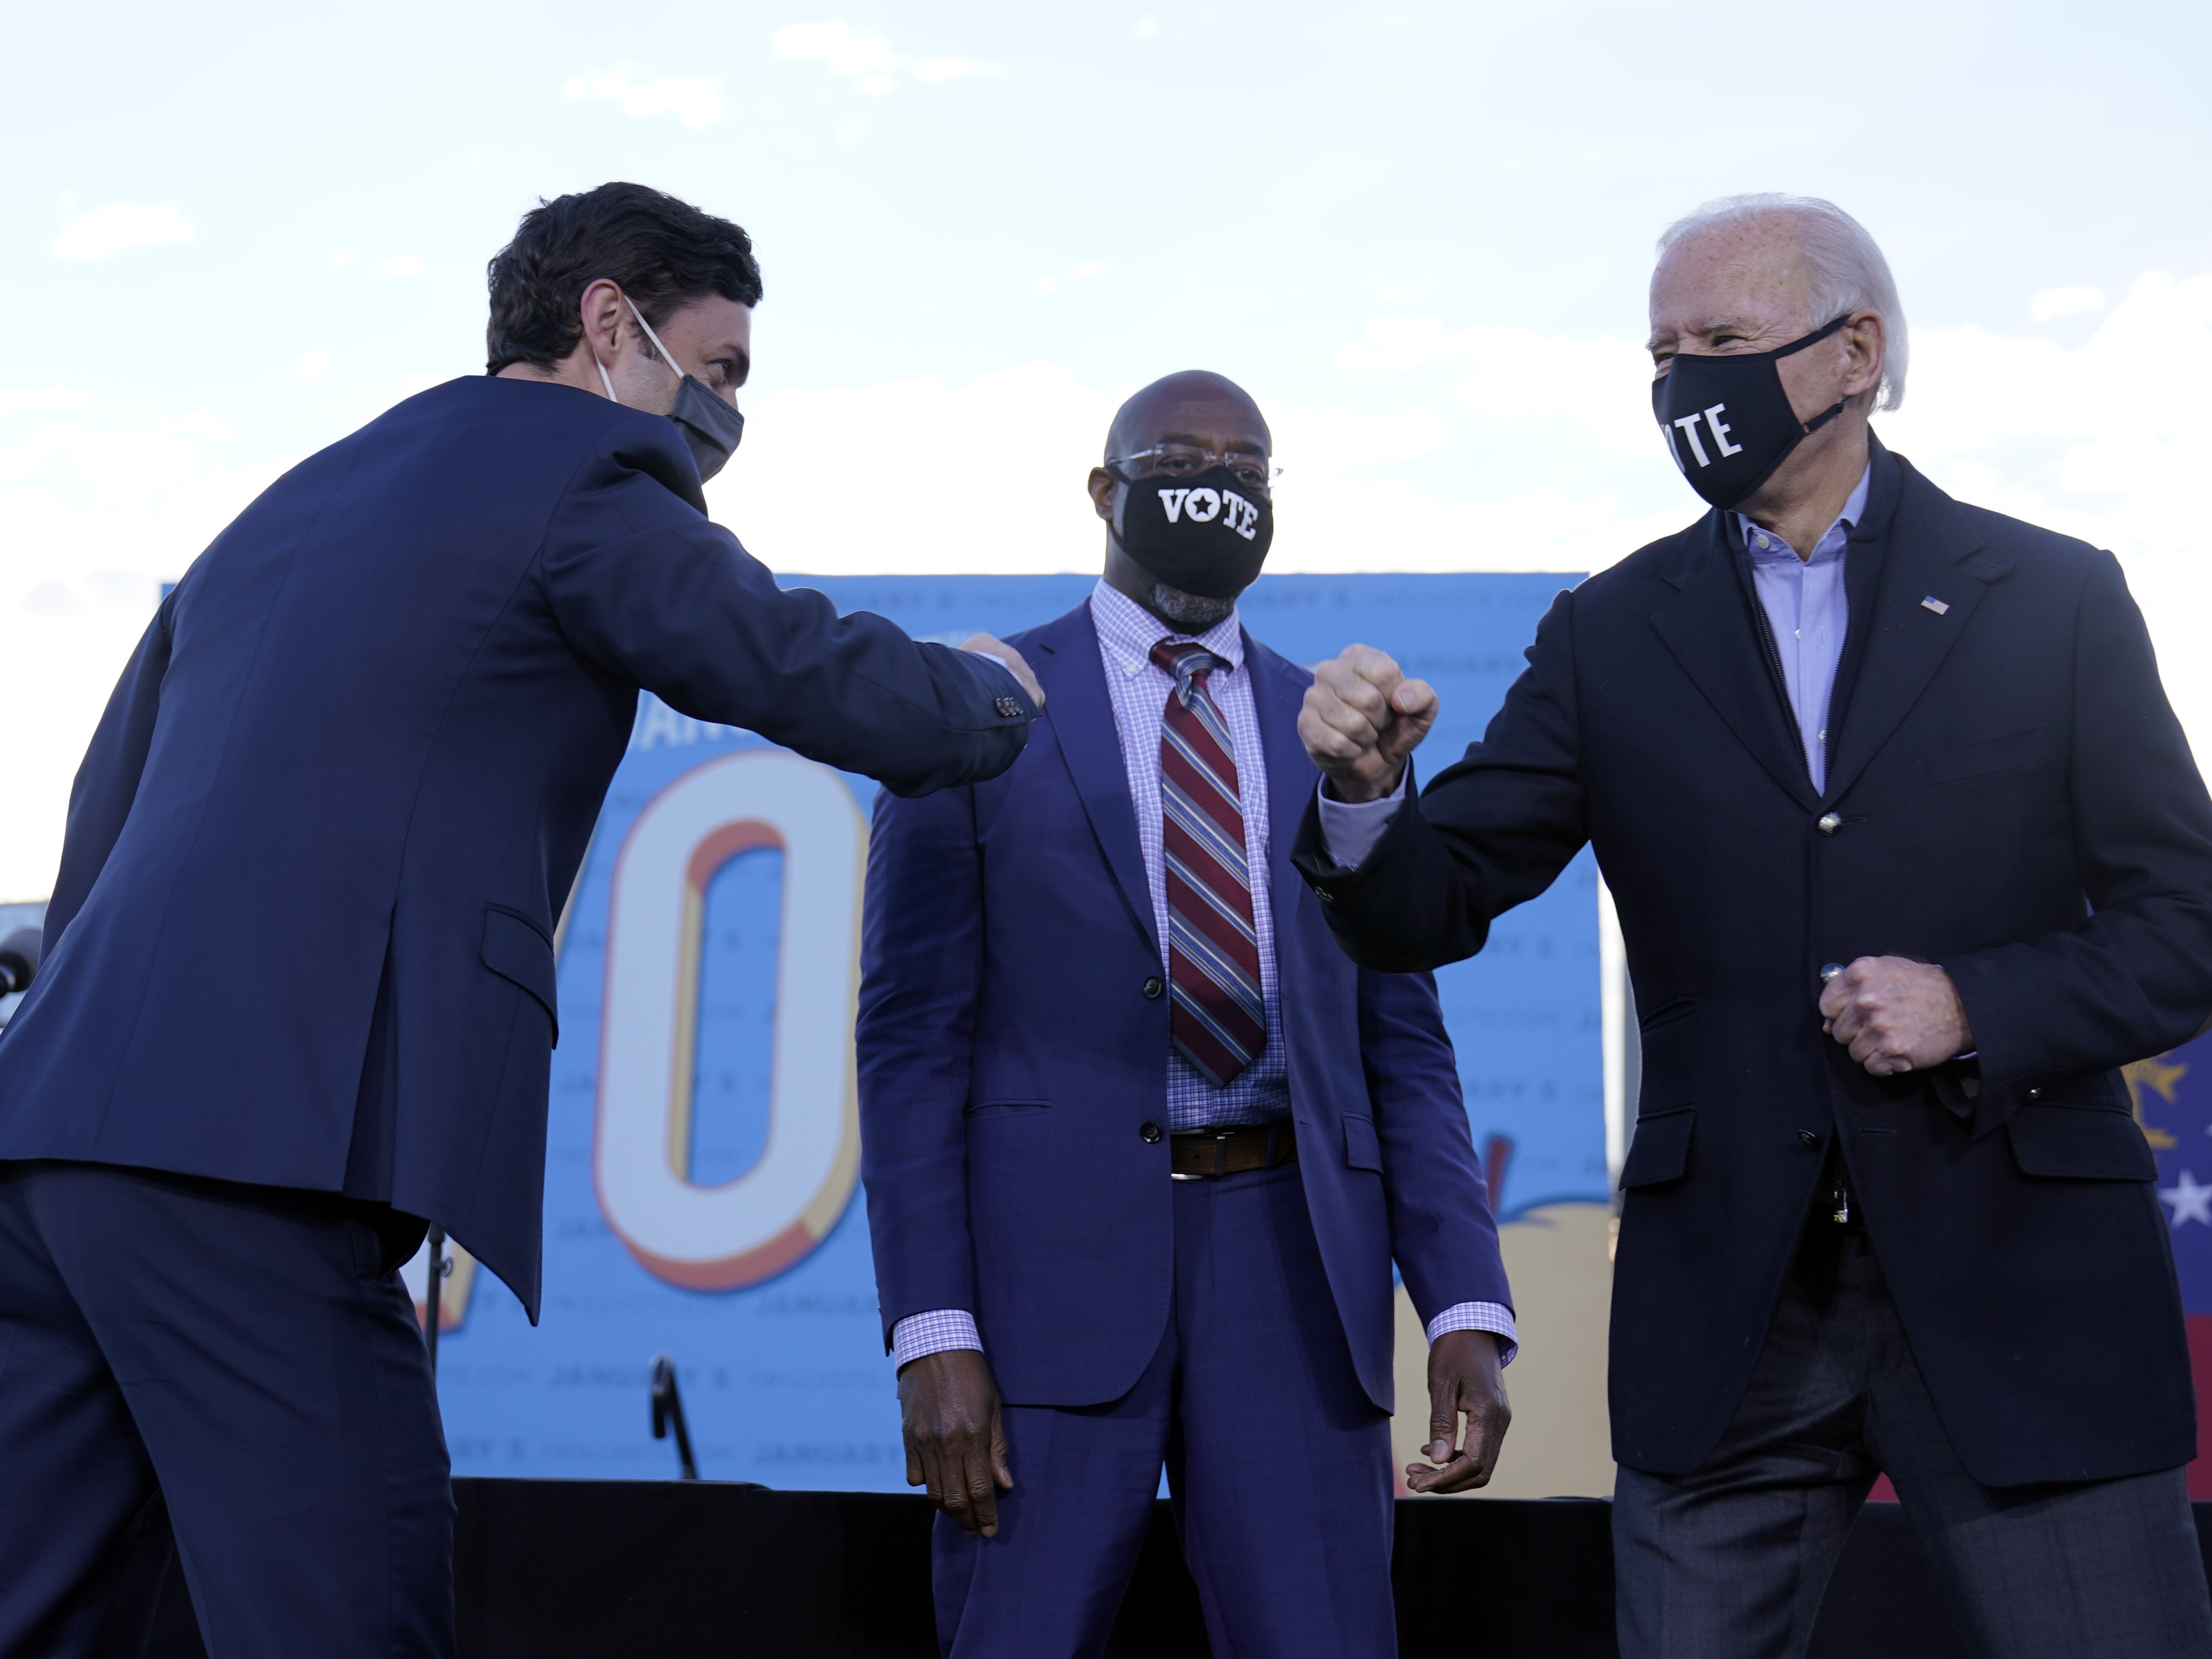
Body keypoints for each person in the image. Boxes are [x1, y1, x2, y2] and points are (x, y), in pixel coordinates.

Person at [0, 182, 1042, 1659]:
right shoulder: (585, 473)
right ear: (608, 323)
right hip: (257, 1161)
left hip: (53, 1151)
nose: (727, 414)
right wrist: (986, 694)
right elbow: (782, 660)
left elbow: (104, 814)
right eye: (721, 367)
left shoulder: (282, 506)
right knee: (349, 1606)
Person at [1294, 194, 2212, 1659]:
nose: (1682, 385)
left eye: (1721, 341)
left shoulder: (2051, 598)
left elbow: (2187, 922)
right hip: (1731, 1314)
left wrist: (1978, 1002)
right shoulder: (1610, 632)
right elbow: (1425, 901)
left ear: (1854, 352)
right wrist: (1362, 792)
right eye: (1660, 354)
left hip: (2016, 1285)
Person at [857, 369, 1514, 1659]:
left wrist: (1461, 1304)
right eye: (1178, 456)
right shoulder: (976, 703)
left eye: (1247, 468)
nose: (1216, 484)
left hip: (1294, 1273)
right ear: (1104, 490)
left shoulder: (1336, 728)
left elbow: (1403, 1045)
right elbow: (909, 1044)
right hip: (1043, 1292)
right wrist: (930, 1331)